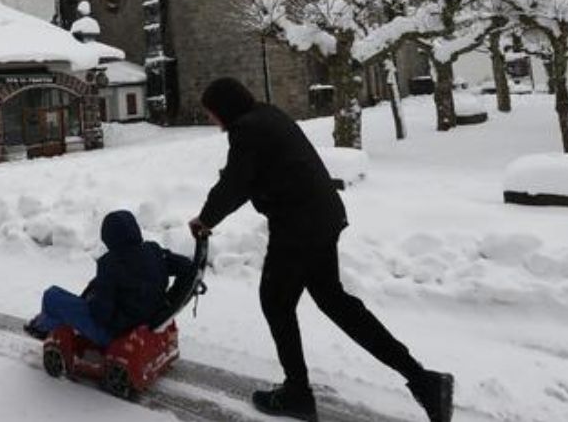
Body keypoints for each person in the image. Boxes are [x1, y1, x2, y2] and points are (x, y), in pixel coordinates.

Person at [188, 77, 453, 422]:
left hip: (299, 226)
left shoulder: (247, 130)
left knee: (276, 301)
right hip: (322, 217)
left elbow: (236, 183)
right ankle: (423, 380)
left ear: (223, 109)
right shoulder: (266, 115)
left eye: (211, 114)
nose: (212, 121)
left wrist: (205, 219)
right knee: (334, 302)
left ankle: (297, 392)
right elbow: (252, 171)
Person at [25, 210, 194, 346]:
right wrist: (169, 300)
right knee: (94, 287)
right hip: (148, 316)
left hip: (114, 333)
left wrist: (91, 301)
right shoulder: (154, 251)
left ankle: (44, 328)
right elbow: (187, 267)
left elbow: (101, 315)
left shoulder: (110, 264)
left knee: (52, 295)